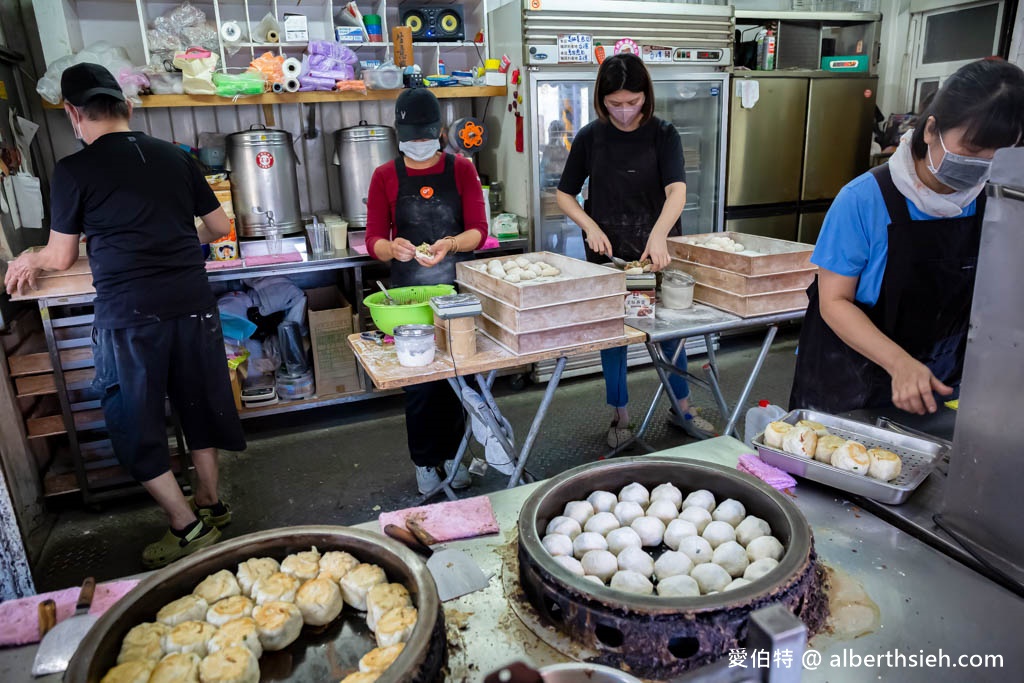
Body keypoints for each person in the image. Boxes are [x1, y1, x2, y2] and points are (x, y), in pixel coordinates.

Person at [4, 64, 246, 567]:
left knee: (133, 423)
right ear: (127, 107)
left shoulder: (74, 171)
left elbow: (61, 256)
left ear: (73, 114)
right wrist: (176, 241)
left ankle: (186, 526)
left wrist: (29, 258)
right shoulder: (176, 157)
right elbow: (220, 226)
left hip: (131, 317)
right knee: (199, 404)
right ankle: (211, 502)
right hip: (193, 305)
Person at [790, 59, 1024, 416]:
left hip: (939, 379)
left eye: (998, 156)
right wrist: (899, 363)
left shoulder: (991, 201)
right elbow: (833, 301)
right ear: (931, 130)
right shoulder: (863, 199)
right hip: (850, 380)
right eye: (973, 151)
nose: (982, 167)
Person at [555, 53, 714, 448]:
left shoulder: (663, 134)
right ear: (601, 99)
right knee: (616, 335)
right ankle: (619, 415)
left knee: (670, 332)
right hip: (608, 255)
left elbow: (676, 190)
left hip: (655, 251)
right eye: (615, 104)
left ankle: (683, 407)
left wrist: (660, 235)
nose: (625, 113)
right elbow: (564, 194)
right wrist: (589, 226)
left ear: (647, 96)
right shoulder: (591, 137)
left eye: (633, 102)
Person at [365, 88, 487, 494]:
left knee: (457, 379)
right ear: (399, 134)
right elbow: (374, 239)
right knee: (419, 385)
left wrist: (451, 243)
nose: (418, 145)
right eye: (410, 138)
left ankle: (454, 454)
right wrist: (392, 248)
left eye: (425, 137)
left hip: (456, 292)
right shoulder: (385, 176)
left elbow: (479, 232)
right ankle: (424, 462)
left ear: (438, 132)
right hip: (409, 299)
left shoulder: (462, 170)